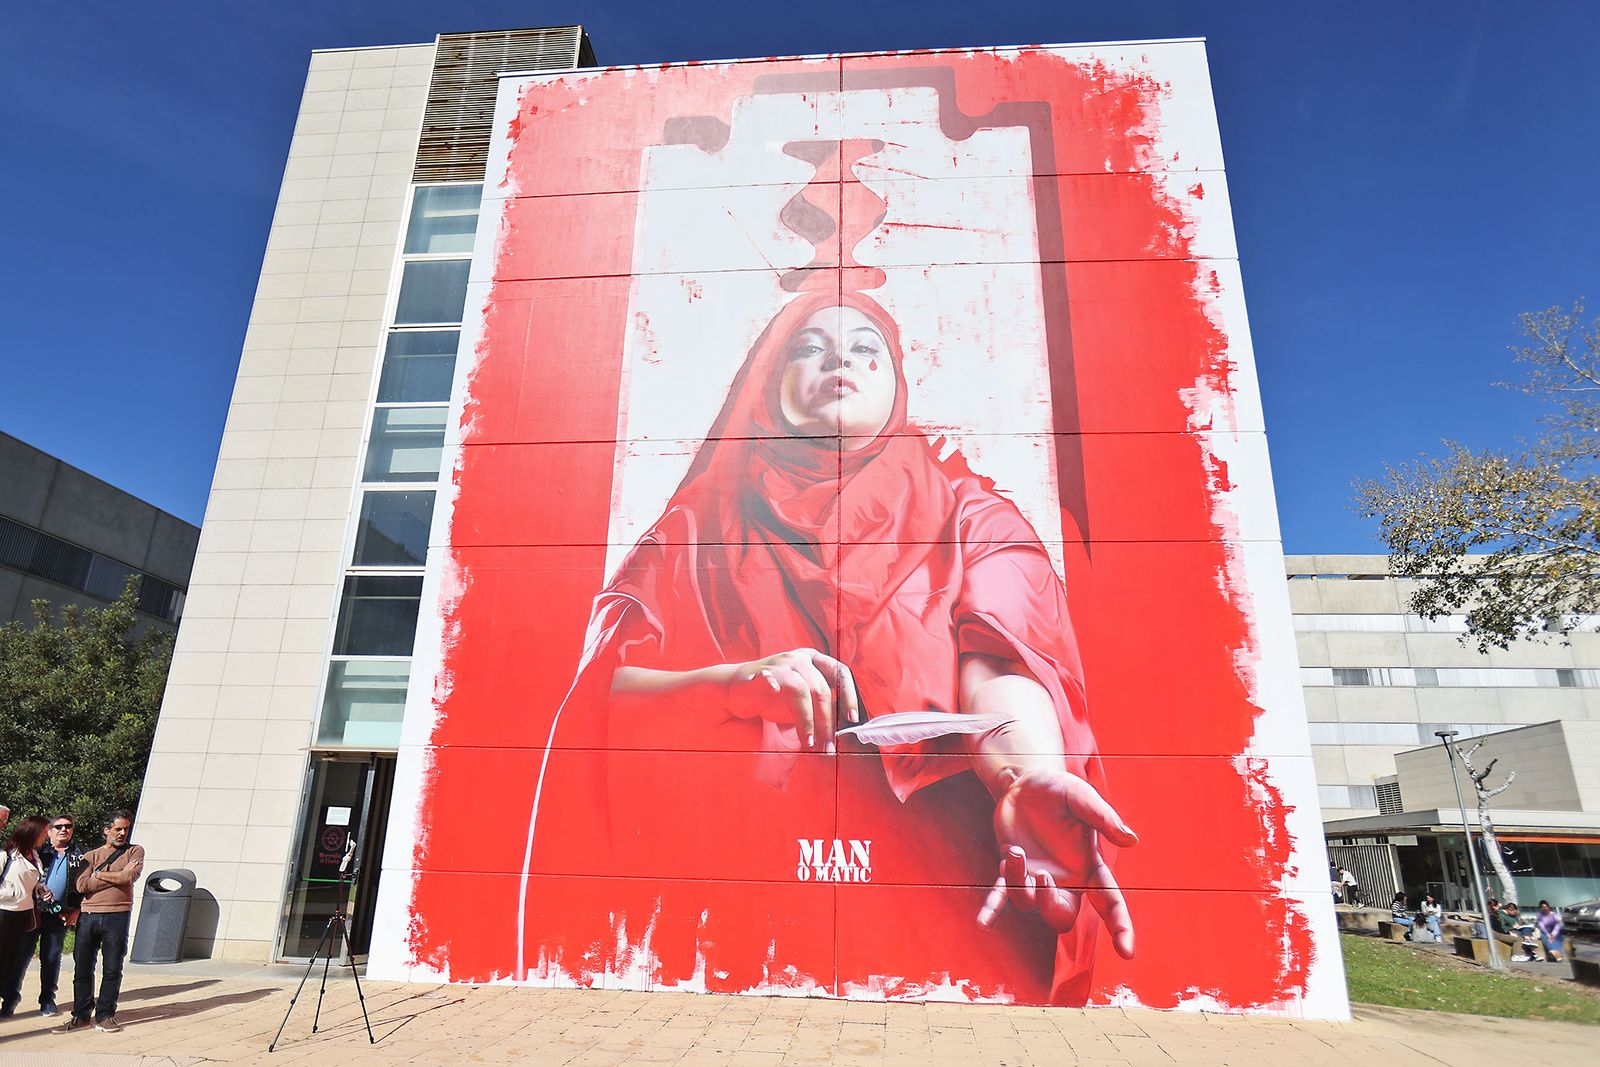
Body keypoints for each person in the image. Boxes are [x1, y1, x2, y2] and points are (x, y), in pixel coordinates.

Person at [521, 291, 1136, 1005]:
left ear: (897, 385)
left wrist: (1025, 776)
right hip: (723, 920)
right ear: (766, 386)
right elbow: (600, 702)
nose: (840, 357)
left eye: (866, 348)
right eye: (808, 347)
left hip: (945, 904)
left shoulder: (974, 516)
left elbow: (1002, 660)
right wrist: (732, 684)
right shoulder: (693, 530)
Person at [54, 810, 142, 1034]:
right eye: (117, 829)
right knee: (83, 968)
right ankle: (81, 1016)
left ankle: (105, 1015)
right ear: (106, 831)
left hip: (118, 916)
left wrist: (99, 876)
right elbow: (82, 886)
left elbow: (128, 877)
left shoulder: (134, 851)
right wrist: (116, 875)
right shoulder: (90, 856)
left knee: (113, 968)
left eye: (125, 829)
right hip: (89, 916)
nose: (122, 833)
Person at [30, 815, 85, 1016]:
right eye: (59, 826)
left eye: (68, 826)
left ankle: (47, 1000)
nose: (64, 830)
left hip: (59, 915)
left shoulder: (81, 854)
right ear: (50, 831)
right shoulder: (37, 852)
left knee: (51, 956)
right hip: (32, 912)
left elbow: (86, 886)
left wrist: (77, 910)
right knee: (17, 956)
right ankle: (9, 999)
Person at [0, 815, 49, 1017]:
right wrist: (10, 893)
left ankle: (10, 998)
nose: (45, 837)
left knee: (14, 961)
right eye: (44, 833)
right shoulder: (7, 854)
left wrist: (40, 889)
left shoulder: (35, 856)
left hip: (24, 915)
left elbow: (31, 878)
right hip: (3, 912)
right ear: (33, 832)